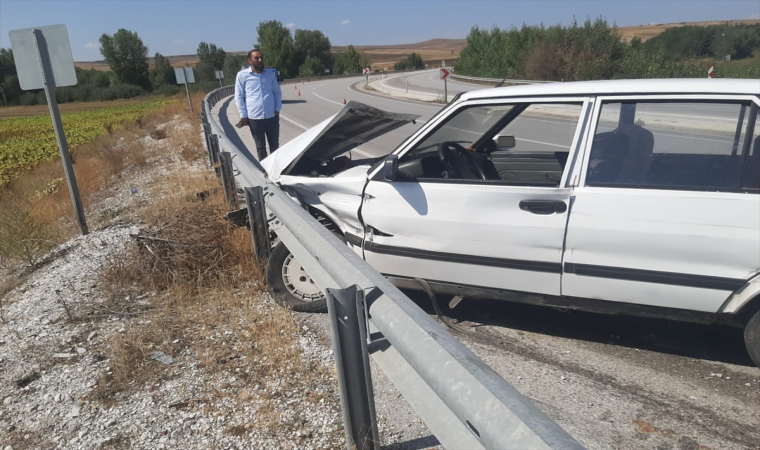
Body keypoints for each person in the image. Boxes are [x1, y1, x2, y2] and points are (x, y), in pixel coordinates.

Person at [234, 49, 282, 161]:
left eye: (261, 57)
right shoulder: (242, 76)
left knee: (275, 145)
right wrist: (243, 115)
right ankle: (265, 170)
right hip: (254, 118)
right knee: (261, 147)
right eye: (257, 58)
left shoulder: (270, 74)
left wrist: (277, 109)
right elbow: (239, 96)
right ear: (250, 60)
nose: (260, 60)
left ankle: (277, 168)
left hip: (272, 116)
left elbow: (277, 92)